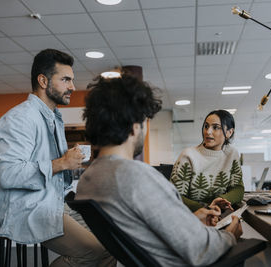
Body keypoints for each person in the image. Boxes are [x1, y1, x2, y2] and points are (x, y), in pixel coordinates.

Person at [75, 75, 243, 266]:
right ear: (134, 127)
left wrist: (193, 220)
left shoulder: (88, 179)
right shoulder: (135, 176)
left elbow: (142, 231)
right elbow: (201, 250)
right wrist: (230, 235)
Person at [0, 49, 114, 267]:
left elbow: (51, 170)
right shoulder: (21, 119)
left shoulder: (52, 118)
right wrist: (61, 163)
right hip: (26, 208)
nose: (72, 87)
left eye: (72, 80)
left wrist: (66, 163)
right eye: (65, 79)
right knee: (92, 252)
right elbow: (9, 174)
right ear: (43, 80)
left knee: (112, 245)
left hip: (52, 202)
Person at [170, 110, 244, 212]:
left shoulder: (231, 154)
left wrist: (222, 200)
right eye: (206, 126)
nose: (208, 131)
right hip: (191, 215)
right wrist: (206, 209)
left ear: (229, 133)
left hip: (217, 215)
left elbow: (238, 189)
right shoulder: (188, 156)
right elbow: (175, 195)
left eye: (215, 127)